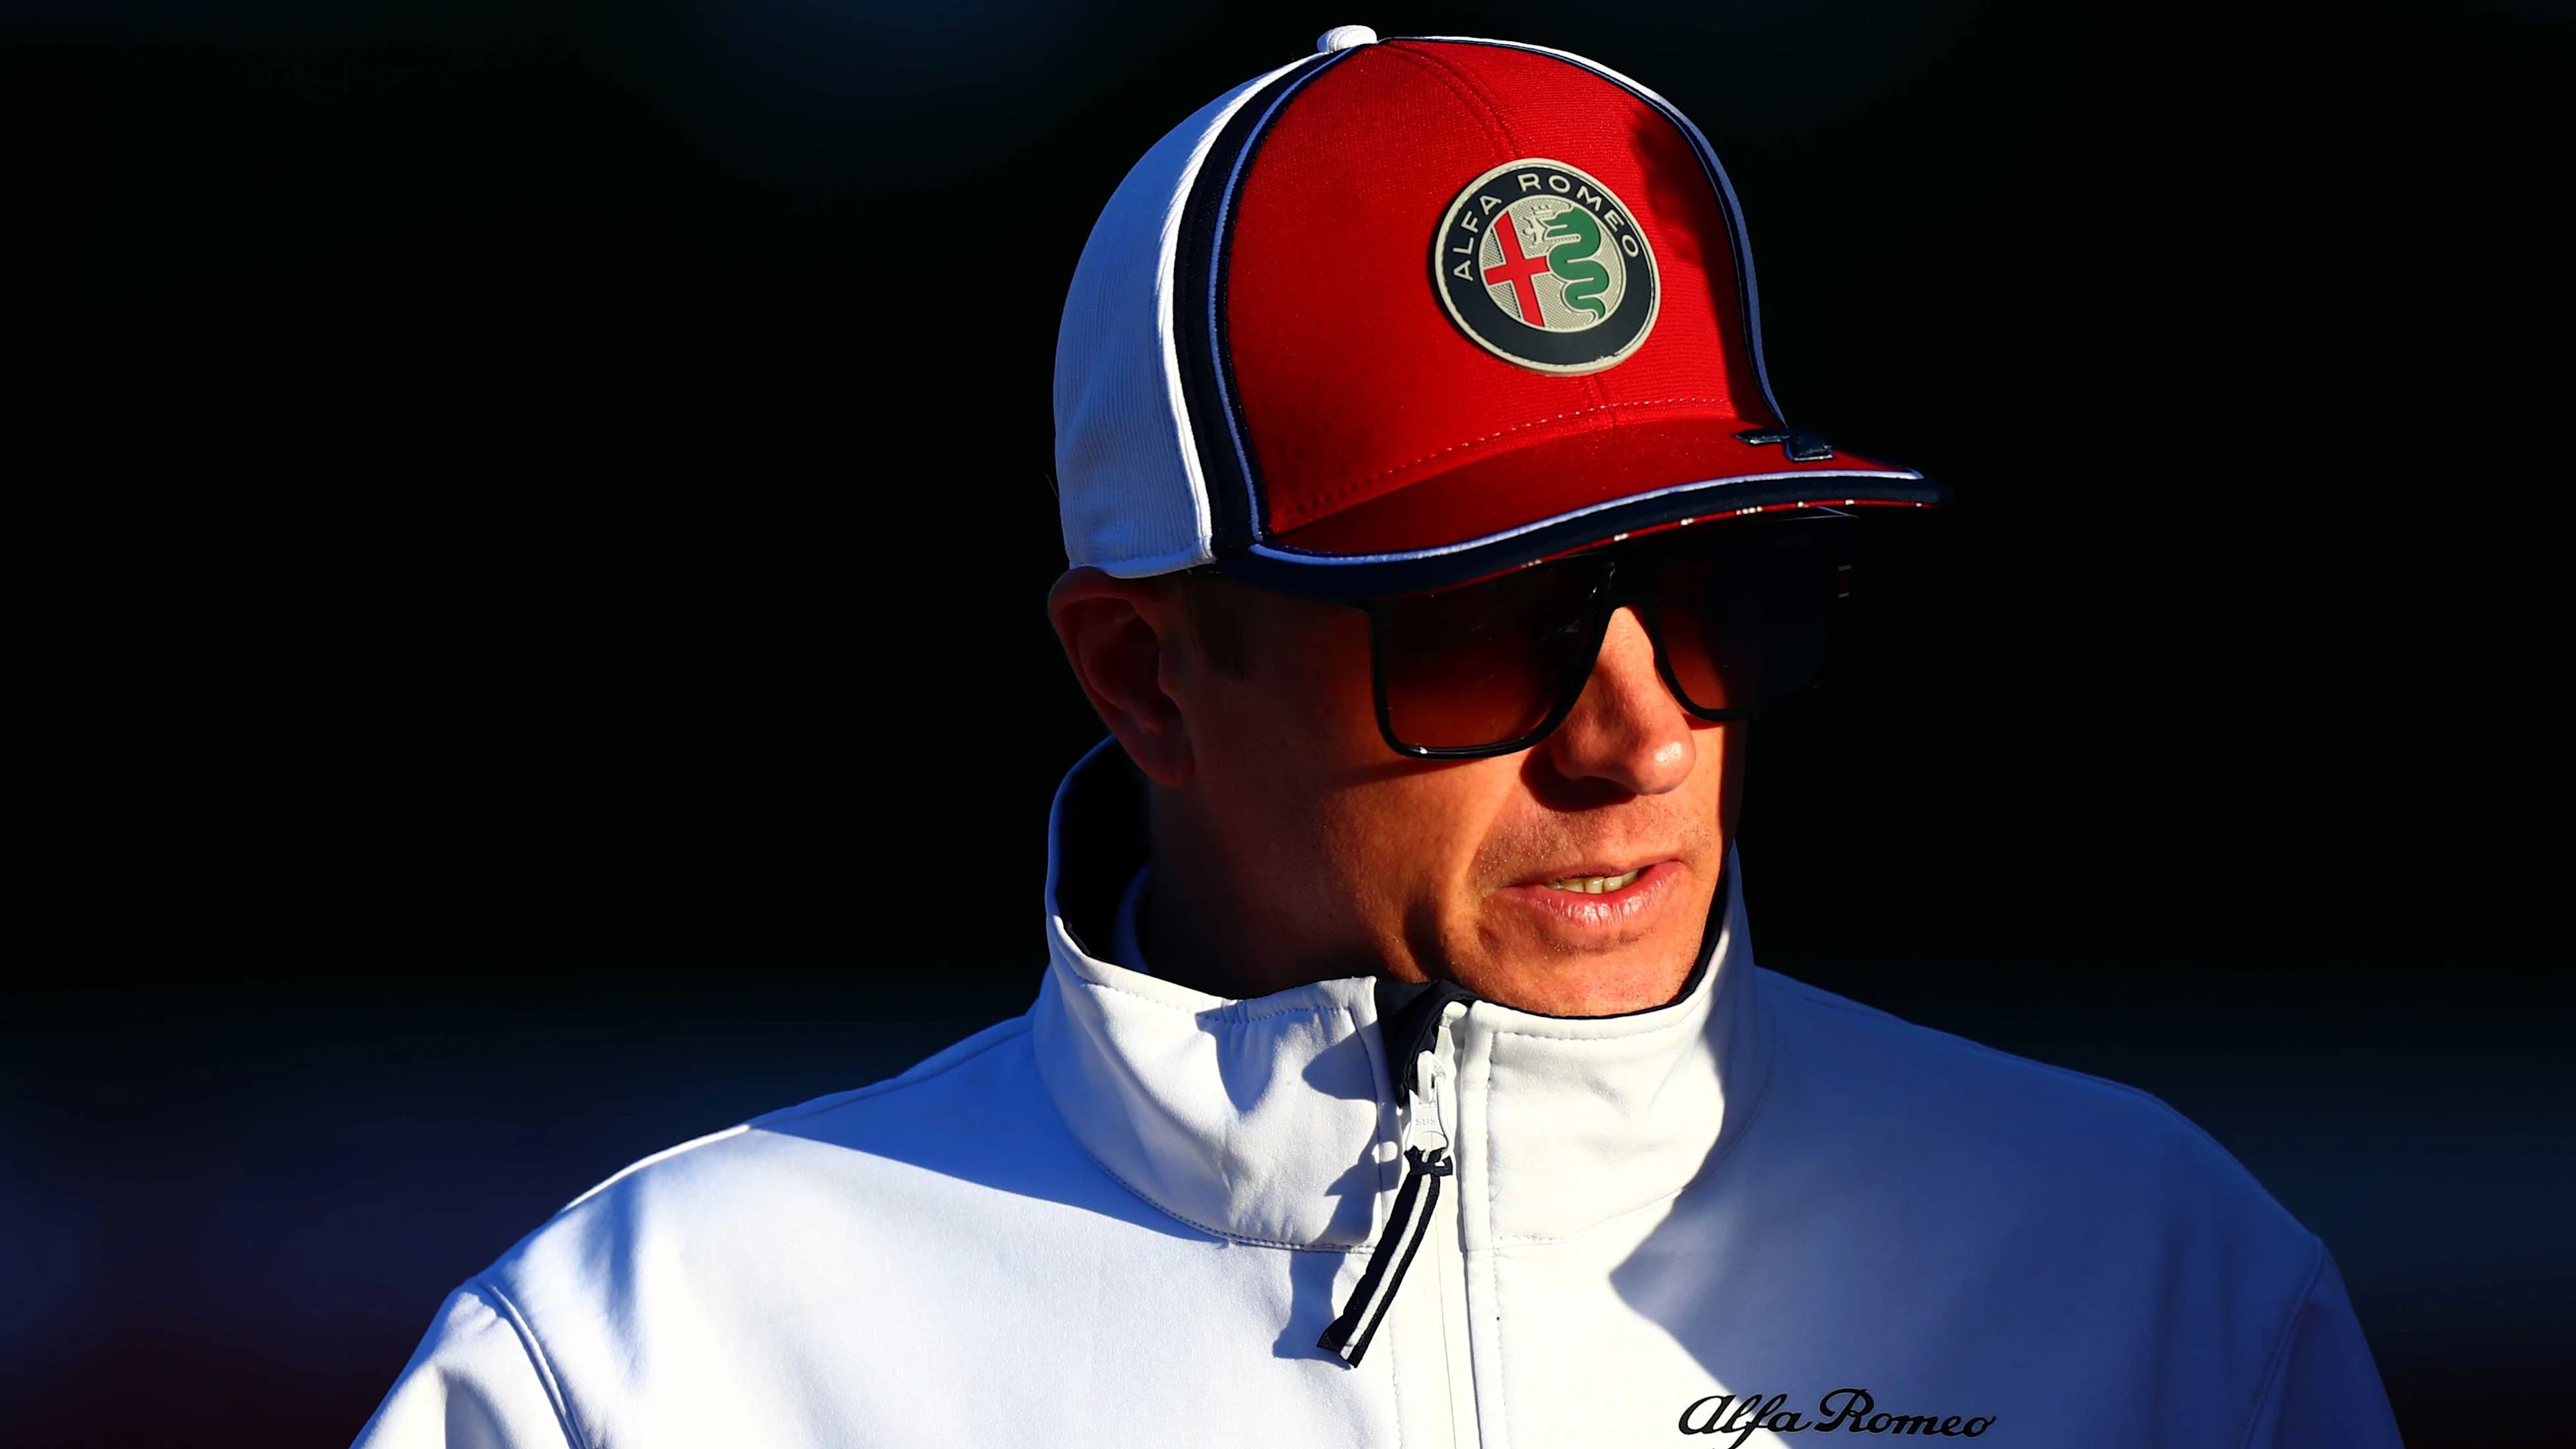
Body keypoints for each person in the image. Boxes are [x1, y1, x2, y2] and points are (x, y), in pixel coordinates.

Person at [356, 27, 2399, 1448]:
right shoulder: (656, 1355)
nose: (1638, 730)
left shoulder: (2157, 1277)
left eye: (1719, 598)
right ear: (1142, 673)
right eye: (1482, 623)